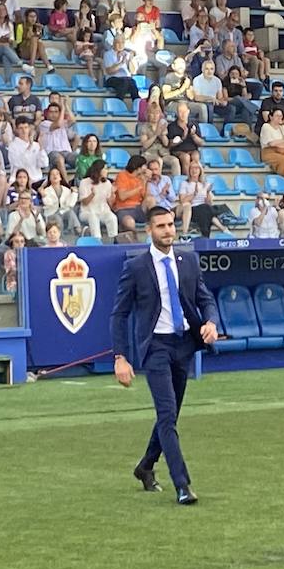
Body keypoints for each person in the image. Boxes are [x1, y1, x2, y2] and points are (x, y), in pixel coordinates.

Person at [110, 205, 218, 506]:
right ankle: (182, 485)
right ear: (150, 230)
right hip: (155, 347)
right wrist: (120, 356)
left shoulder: (189, 261)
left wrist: (210, 322)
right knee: (167, 414)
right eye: (161, 226)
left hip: (183, 344)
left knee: (169, 416)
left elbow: (204, 297)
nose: (169, 230)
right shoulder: (136, 267)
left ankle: (145, 466)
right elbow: (119, 315)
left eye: (171, 225)